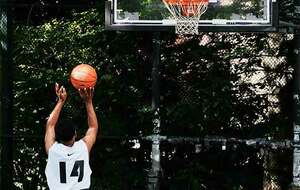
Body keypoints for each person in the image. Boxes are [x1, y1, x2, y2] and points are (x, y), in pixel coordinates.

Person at [44, 83, 98, 190]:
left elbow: (50, 125)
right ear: (75, 134)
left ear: (57, 136)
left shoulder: (52, 149)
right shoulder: (83, 147)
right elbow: (93, 127)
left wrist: (61, 101)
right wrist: (88, 101)